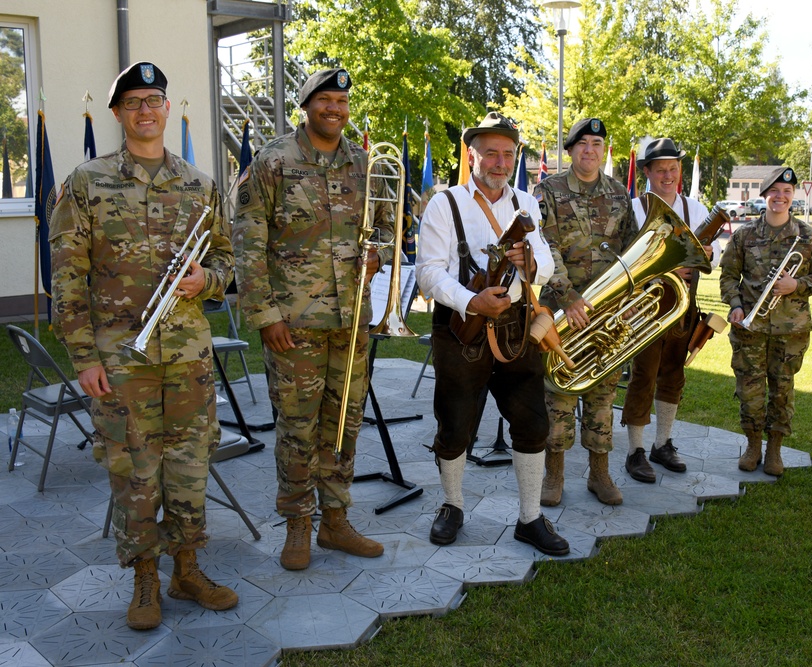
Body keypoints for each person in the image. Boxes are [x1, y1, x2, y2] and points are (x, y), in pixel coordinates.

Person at [49, 62, 238, 630]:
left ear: (166, 107)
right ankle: (144, 579)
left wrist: (209, 280)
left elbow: (230, 260)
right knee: (134, 470)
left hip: (187, 356)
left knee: (188, 464)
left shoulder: (200, 185)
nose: (146, 110)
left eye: (154, 99)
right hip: (119, 359)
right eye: (133, 102)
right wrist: (83, 359)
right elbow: (65, 277)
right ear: (118, 114)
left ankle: (186, 567)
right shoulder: (87, 183)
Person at [233, 68, 391, 571]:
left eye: (341, 101)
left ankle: (335, 521)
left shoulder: (363, 163)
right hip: (293, 325)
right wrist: (264, 315)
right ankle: (298, 523)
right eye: (324, 100)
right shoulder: (274, 161)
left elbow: (386, 226)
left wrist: (379, 256)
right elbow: (247, 243)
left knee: (344, 421)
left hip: (351, 324)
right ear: (306, 105)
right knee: (297, 427)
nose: (334, 109)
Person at [415, 112, 569, 556]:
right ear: (472, 155)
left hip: (518, 326)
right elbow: (427, 274)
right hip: (461, 328)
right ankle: (452, 505)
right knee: (455, 422)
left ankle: (530, 518)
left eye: (507, 153)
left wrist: (529, 264)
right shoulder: (445, 204)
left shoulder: (527, 203)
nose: (500, 162)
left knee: (532, 422)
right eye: (490, 153)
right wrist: (470, 301)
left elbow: (547, 262)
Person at [536, 117, 639, 506]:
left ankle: (599, 474)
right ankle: (554, 475)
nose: (590, 150)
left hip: (606, 310)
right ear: (571, 149)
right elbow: (545, 248)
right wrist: (568, 298)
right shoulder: (548, 190)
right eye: (583, 143)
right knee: (558, 390)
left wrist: (624, 301)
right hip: (562, 309)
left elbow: (631, 251)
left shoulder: (618, 194)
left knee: (602, 390)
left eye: (597, 143)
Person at [620, 138, 721, 482]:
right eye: (660, 168)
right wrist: (667, 268)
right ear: (646, 171)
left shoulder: (695, 207)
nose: (668, 174)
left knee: (674, 376)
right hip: (645, 308)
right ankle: (635, 450)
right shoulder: (633, 209)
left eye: (673, 168)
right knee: (643, 376)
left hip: (684, 307)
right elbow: (624, 264)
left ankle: (662, 444)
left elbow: (714, 255)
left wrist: (706, 253)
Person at [718, 166, 812, 476]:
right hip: (749, 328)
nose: (780, 197)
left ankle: (775, 450)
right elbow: (728, 276)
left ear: (793, 196)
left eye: (787, 192)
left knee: (782, 390)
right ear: (765, 195)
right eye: (775, 191)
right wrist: (737, 305)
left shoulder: (808, 237)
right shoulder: (744, 235)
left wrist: (797, 285)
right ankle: (753, 445)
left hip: (790, 330)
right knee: (749, 390)